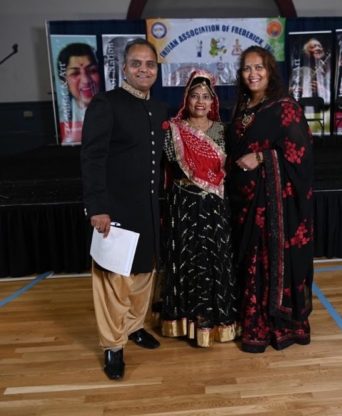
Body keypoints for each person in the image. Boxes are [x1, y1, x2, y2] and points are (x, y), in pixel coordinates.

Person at [80, 38, 167, 381]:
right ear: (124, 68)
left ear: (156, 69)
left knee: (143, 275)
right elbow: (92, 157)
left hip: (147, 209)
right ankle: (113, 346)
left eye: (150, 64)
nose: (144, 69)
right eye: (136, 63)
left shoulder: (158, 108)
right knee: (113, 282)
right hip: (114, 210)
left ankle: (133, 327)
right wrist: (97, 207)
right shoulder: (106, 103)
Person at [226, 46, 315, 353]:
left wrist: (263, 157)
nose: (252, 74)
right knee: (246, 264)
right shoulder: (242, 106)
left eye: (259, 67)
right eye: (246, 68)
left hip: (270, 208)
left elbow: (300, 155)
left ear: (270, 71)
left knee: (265, 263)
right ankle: (250, 322)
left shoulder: (284, 107)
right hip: (240, 204)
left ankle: (274, 326)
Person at [157, 70, 239, 347]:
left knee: (216, 259)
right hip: (183, 205)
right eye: (195, 95)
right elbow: (166, 170)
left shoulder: (223, 131)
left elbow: (229, 170)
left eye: (206, 96)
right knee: (186, 259)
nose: (200, 101)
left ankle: (217, 321)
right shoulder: (173, 130)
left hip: (215, 205)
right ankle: (185, 321)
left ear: (213, 101)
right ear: (186, 99)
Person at [57, 43, 101, 124]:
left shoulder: (115, 110)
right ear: (64, 80)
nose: (86, 80)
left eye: (92, 70)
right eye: (75, 73)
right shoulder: (61, 117)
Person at [289, 38, 331, 104]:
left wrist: (321, 90)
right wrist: (295, 90)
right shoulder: (299, 71)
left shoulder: (328, 73)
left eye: (320, 46)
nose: (318, 48)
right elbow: (287, 90)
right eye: (314, 47)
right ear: (306, 53)